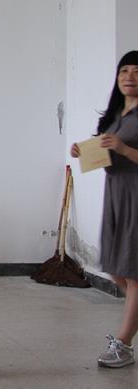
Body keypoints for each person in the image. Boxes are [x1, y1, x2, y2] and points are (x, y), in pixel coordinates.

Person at [70, 50, 138, 368]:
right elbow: (107, 158)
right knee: (114, 266)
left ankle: (123, 345)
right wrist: (85, 151)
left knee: (134, 272)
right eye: (124, 71)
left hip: (136, 197)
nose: (129, 76)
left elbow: (123, 152)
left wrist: (123, 148)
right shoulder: (115, 116)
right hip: (116, 197)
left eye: (137, 71)